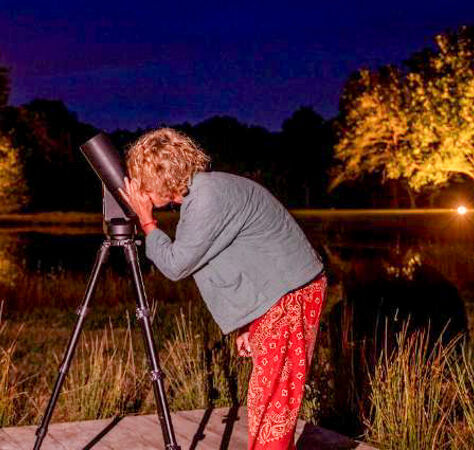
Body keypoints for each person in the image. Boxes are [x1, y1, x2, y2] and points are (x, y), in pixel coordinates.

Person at [119, 128, 325, 450]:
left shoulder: (207, 199)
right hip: (280, 292)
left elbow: (176, 265)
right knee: (268, 395)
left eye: (142, 182)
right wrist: (249, 323)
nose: (139, 191)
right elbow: (237, 257)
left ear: (162, 177)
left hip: (291, 292)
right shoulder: (206, 193)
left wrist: (147, 222)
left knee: (272, 398)